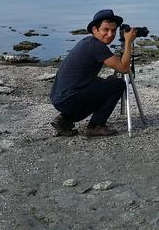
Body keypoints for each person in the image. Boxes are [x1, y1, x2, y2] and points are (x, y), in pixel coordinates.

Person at [49, 9, 137, 137]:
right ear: (95, 30)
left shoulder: (88, 43)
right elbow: (123, 68)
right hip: (70, 97)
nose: (110, 34)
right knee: (118, 85)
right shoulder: (97, 46)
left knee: (107, 83)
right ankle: (96, 126)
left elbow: (117, 65)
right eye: (105, 30)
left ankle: (64, 120)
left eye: (113, 30)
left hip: (59, 97)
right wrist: (128, 41)